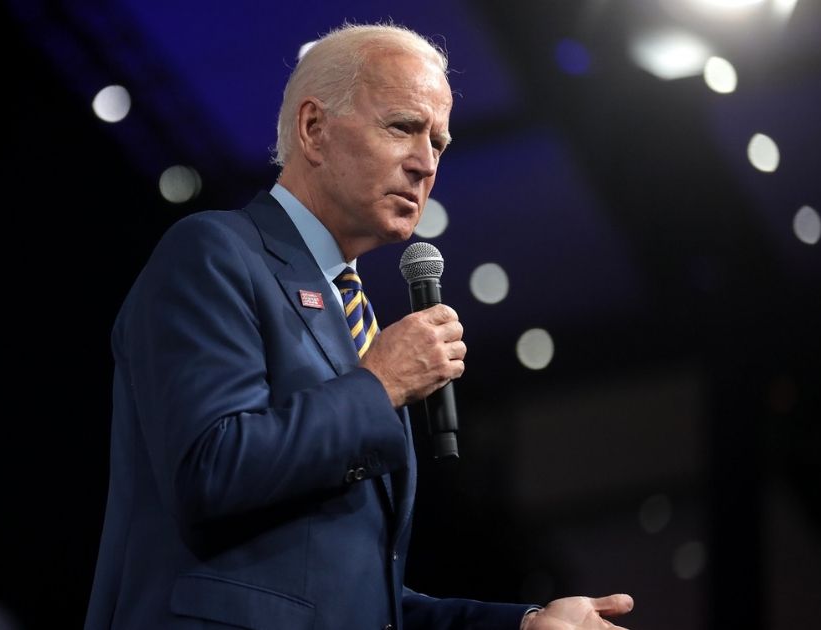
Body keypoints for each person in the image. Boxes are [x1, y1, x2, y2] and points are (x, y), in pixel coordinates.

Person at [84, 23, 634, 630]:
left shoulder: (354, 317)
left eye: (440, 143)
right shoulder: (215, 252)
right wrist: (380, 385)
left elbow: (353, 602)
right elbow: (208, 472)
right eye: (403, 127)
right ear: (314, 129)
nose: (426, 164)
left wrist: (524, 625)